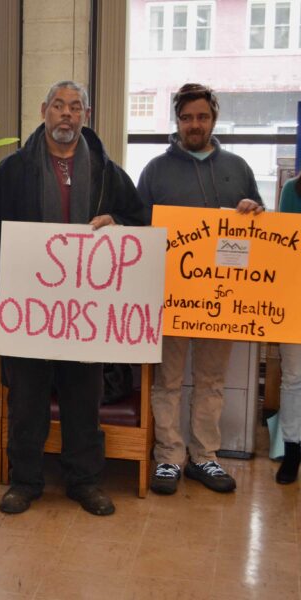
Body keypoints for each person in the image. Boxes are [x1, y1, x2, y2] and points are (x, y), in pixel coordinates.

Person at [0, 81, 144, 517]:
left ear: (86, 115)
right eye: (59, 106)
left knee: (84, 401)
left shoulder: (107, 172)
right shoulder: (12, 172)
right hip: (30, 313)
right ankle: (25, 482)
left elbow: (141, 223)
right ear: (44, 110)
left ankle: (85, 482)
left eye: (76, 107)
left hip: (86, 314)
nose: (67, 114)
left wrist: (117, 224)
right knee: (26, 400)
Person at [138, 83, 264, 495]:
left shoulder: (239, 168)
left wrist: (252, 212)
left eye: (202, 117)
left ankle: (205, 457)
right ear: (177, 121)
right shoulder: (156, 170)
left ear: (214, 118)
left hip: (222, 299)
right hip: (171, 295)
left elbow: (260, 229)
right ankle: (169, 458)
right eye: (187, 117)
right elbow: (140, 231)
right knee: (167, 381)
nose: (195, 124)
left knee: (211, 381)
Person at [276, 174, 301, 484]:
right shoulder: (291, 191)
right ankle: (293, 448)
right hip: (294, 296)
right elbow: (284, 244)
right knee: (293, 377)